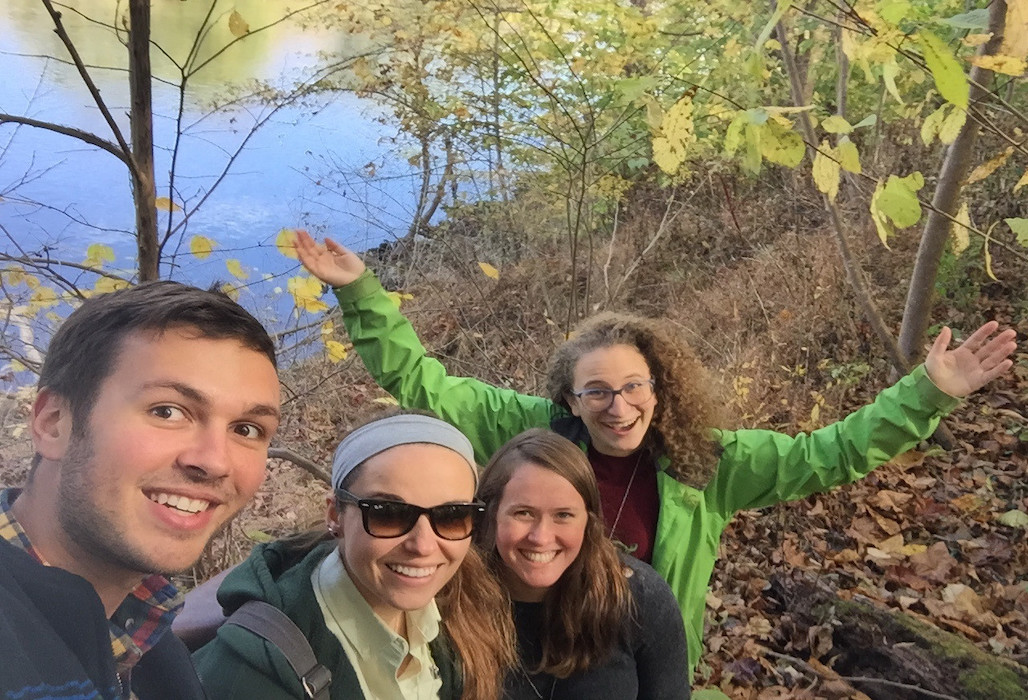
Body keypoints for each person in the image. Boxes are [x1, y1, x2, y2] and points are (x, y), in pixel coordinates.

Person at [294, 230, 1019, 673]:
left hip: (637, 652)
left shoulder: (712, 464)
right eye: (598, 392)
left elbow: (831, 454)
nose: (620, 406)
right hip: (519, 648)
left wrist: (928, 392)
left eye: (634, 387)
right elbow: (422, 381)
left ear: (659, 388)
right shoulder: (535, 437)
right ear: (571, 399)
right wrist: (361, 293)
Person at [0, 280, 282, 700]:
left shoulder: (147, 636)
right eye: (167, 411)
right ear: (53, 422)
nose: (215, 461)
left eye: (246, 429)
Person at [192, 411, 516, 700]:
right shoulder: (249, 676)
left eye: (451, 515)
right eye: (387, 513)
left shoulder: (461, 606)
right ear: (335, 515)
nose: (424, 546)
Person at [476, 429, 690, 699]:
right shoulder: (455, 604)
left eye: (563, 515)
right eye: (523, 513)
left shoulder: (638, 599)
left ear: (589, 522)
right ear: (491, 514)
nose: (541, 537)